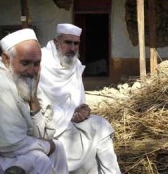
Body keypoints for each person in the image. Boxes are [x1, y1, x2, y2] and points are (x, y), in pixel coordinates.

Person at [0, 28, 68, 174]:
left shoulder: (23, 81)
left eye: (36, 64)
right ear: (6, 59)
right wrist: (47, 146)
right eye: (26, 63)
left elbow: (43, 135)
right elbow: (11, 143)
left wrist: (33, 98)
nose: (31, 70)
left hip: (1, 152)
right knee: (39, 160)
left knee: (58, 147)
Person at [38, 23, 121, 173]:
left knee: (102, 127)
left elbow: (79, 101)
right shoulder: (40, 63)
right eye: (68, 42)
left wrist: (83, 110)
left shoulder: (76, 64)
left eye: (76, 43)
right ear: (57, 42)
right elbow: (39, 104)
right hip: (48, 125)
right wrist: (70, 114)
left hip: (72, 120)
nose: (72, 48)